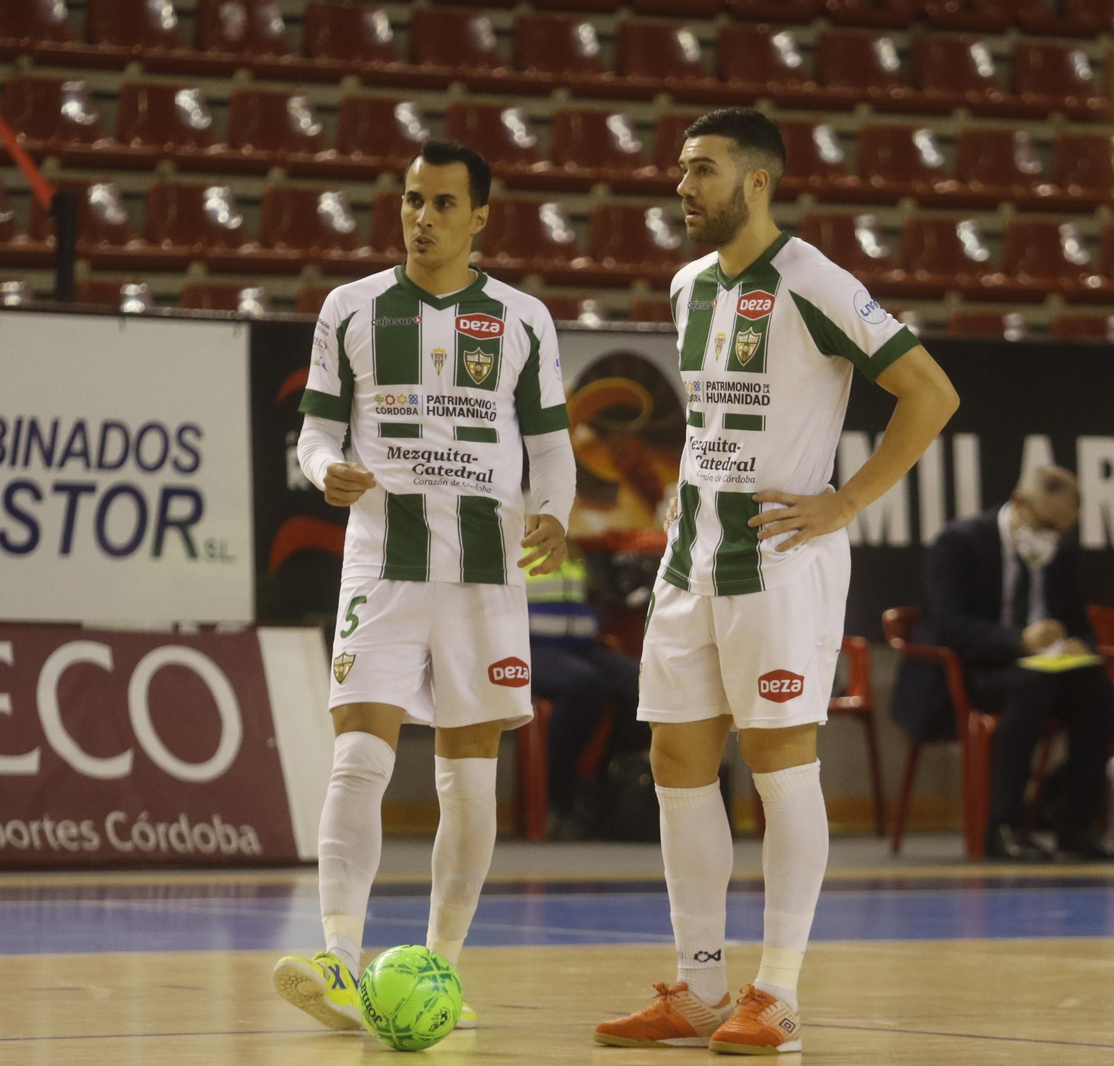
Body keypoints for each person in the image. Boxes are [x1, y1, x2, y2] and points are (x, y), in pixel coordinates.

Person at [592, 108, 959, 1054]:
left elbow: (931, 391)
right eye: (680, 169)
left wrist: (847, 501)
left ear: (757, 181)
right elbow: (718, 416)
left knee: (778, 765)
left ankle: (780, 993)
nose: (681, 187)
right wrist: (681, 491)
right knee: (678, 764)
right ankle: (701, 992)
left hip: (781, 560)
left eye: (702, 170)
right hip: (692, 559)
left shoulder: (815, 281)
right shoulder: (685, 287)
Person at [272, 141, 577, 1032]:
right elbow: (316, 432)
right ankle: (337, 955)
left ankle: (440, 968)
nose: (423, 217)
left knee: (469, 786)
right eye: (412, 200)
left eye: (444, 203)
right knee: (360, 755)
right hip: (382, 564)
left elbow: (551, 449)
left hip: (487, 576)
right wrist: (328, 467)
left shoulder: (523, 319)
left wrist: (552, 511)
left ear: (480, 217)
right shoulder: (351, 306)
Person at [889, 465, 1114, 862]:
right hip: (973, 669)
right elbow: (948, 625)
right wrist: (1019, 641)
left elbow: (1079, 622)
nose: (1052, 537)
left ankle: (1076, 825)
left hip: (1041, 670)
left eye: (1061, 530)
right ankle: (1004, 827)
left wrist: (1079, 647)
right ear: (1019, 504)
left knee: (1096, 689)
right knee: (1030, 685)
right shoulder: (958, 543)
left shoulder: (1059, 553)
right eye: (1046, 525)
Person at [526, 551, 648, 837]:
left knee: (643, 684)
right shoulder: (508, 542)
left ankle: (608, 784)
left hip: (582, 647)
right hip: (528, 648)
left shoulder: (571, 551)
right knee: (584, 685)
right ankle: (561, 791)